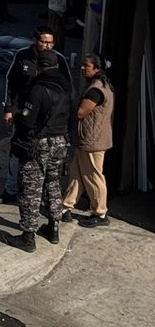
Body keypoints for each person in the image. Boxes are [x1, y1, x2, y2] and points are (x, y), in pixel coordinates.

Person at [4, 50, 72, 251]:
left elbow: (27, 119)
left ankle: (28, 236)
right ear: (57, 66)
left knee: (30, 188)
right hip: (60, 142)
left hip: (40, 144)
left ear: (40, 68)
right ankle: (54, 226)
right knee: (52, 183)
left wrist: (17, 117)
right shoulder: (67, 87)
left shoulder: (39, 89)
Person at [0, 27, 71, 204]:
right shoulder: (22, 56)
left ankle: (45, 194)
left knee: (47, 155)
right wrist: (8, 109)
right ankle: (10, 190)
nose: (47, 45)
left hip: (48, 117)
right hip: (24, 112)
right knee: (16, 150)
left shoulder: (58, 59)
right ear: (35, 40)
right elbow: (10, 82)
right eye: (44, 42)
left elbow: (68, 88)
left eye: (51, 42)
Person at [61, 52, 114, 227]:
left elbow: (81, 112)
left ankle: (100, 213)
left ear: (97, 69)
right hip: (87, 140)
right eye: (82, 65)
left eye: (87, 66)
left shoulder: (95, 90)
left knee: (93, 175)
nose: (83, 68)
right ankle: (66, 206)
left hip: (92, 141)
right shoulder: (102, 86)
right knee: (76, 173)